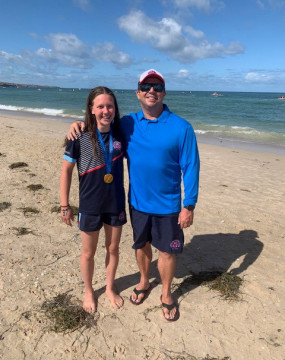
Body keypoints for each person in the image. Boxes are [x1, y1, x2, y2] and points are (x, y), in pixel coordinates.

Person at [67, 69, 200, 321]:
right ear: (138, 93)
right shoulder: (127, 124)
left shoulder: (182, 127)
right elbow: (100, 122)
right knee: (141, 246)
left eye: (158, 87)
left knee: (168, 252)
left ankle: (167, 293)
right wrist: (79, 124)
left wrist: (189, 204)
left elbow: (191, 166)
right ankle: (142, 281)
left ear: (164, 93)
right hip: (137, 202)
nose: (152, 90)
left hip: (169, 204)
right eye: (146, 86)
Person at [60, 86, 127, 313]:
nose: (106, 111)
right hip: (90, 205)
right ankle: (89, 291)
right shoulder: (79, 136)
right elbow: (66, 171)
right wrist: (64, 205)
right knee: (88, 253)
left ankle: (109, 288)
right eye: (100, 106)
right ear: (91, 109)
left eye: (110, 106)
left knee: (113, 248)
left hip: (115, 203)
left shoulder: (121, 133)